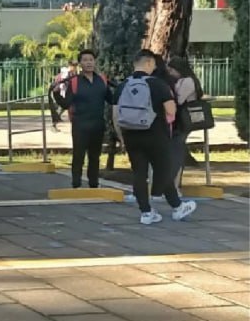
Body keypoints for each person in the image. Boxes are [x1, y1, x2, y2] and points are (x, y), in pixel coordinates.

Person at [114, 50, 195, 225]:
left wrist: (121, 137)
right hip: (155, 134)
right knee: (163, 171)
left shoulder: (123, 86)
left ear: (135, 63)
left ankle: (146, 212)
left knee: (139, 173)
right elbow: (171, 110)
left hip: (130, 135)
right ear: (149, 63)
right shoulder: (158, 85)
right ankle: (177, 206)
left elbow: (115, 114)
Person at [51, 50, 111, 189]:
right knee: (79, 156)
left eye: (91, 59)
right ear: (80, 63)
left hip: (97, 124)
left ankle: (93, 184)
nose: (89, 62)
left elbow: (111, 98)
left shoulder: (101, 80)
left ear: (94, 62)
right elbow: (66, 103)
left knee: (95, 157)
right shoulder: (75, 81)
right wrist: (56, 94)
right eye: (85, 60)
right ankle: (76, 183)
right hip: (80, 125)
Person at [168, 56, 203, 187]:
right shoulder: (185, 80)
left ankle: (176, 182)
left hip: (184, 120)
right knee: (177, 147)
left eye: (171, 70)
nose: (170, 73)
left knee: (177, 148)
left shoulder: (187, 82)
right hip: (182, 120)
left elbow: (179, 99)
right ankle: (175, 181)